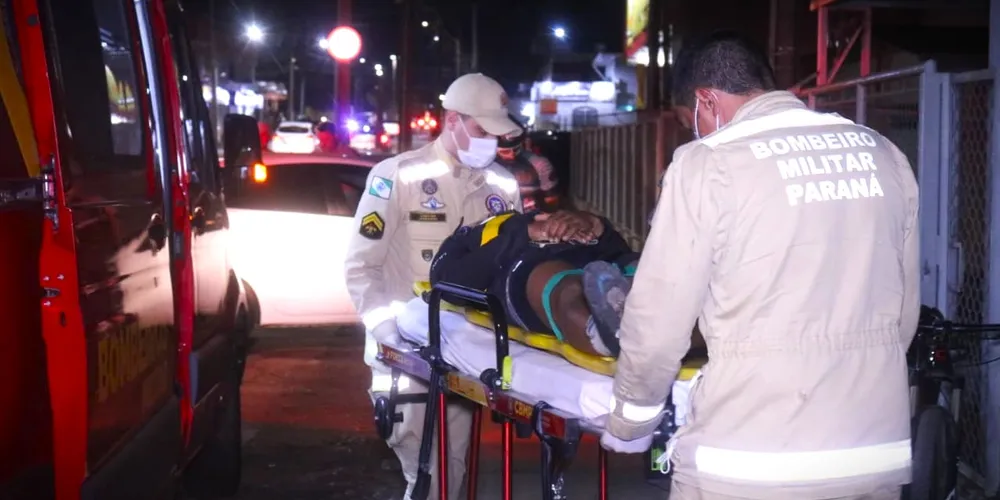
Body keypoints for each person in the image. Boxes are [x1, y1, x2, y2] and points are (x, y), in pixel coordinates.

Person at [600, 31, 920, 500]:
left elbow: (660, 317)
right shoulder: (882, 153)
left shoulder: (706, 164)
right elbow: (905, 307)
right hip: (872, 451)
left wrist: (631, 419)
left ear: (704, 100)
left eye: (691, 119)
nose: (696, 130)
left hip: (749, 458)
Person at [345, 72, 540, 500]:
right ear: (452, 120)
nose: (492, 140)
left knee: (452, 474)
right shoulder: (397, 177)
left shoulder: (502, 186)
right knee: (425, 475)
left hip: (465, 358)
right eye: (481, 129)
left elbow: (508, 271)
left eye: (496, 132)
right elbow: (360, 268)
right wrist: (388, 336)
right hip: (406, 360)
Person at [429, 209, 636, 358]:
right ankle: (607, 336)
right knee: (567, 287)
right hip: (527, 267)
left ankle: (653, 308)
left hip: (594, 259)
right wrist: (523, 234)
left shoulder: (551, 213)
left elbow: (619, 250)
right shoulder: (468, 237)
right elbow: (446, 282)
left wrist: (592, 223)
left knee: (634, 266)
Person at [496, 118, 559, 211]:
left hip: (530, 214)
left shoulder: (540, 164)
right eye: (505, 151)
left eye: (516, 149)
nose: (512, 155)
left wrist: (549, 214)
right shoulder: (483, 165)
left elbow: (551, 197)